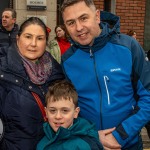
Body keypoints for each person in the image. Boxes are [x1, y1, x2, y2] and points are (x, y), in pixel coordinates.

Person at [61, 0, 150, 149]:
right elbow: (68, 108)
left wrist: (120, 135)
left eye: (84, 18)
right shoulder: (67, 60)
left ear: (97, 16)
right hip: (89, 143)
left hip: (128, 144)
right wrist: (93, 135)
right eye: (71, 23)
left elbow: (148, 96)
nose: (78, 28)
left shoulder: (128, 47)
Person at [0, 17, 65, 150]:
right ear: (18, 38)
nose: (33, 43)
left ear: (46, 41)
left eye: (40, 38)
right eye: (28, 37)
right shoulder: (3, 69)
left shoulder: (56, 70)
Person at [37, 80, 103, 150]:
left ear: (75, 112)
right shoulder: (41, 144)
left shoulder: (85, 145)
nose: (58, 116)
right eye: (53, 111)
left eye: (65, 111)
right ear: (46, 112)